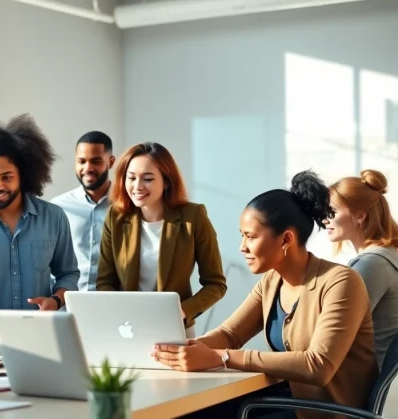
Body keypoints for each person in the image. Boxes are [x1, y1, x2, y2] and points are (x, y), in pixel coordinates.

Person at [152, 170, 378, 419]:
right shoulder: (272, 282)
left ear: (286, 239)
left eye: (250, 237)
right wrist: (178, 350)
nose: (242, 247)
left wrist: (221, 357)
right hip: (293, 402)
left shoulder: (341, 282)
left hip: (331, 414)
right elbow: (230, 334)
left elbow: (318, 366)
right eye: (242, 236)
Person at [0, 113, 80, 348]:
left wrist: (55, 301)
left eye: (6, 177)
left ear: (24, 175)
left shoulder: (54, 218)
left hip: (42, 342)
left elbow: (69, 273)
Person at [95, 142, 226, 337]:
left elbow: (216, 284)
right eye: (131, 178)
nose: (137, 186)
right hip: (127, 328)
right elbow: (105, 281)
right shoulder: (116, 217)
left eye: (148, 179)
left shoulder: (193, 216)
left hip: (173, 327)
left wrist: (182, 311)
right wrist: (120, 313)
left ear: (167, 181)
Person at [325, 169, 398, 370]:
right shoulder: (389, 254)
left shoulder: (371, 264)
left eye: (332, 212)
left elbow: (335, 334)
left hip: (380, 383)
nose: (324, 219)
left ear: (359, 216)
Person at [51, 131, 115, 291]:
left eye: (96, 161)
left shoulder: (126, 205)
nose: (88, 168)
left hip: (113, 300)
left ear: (111, 162)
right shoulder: (58, 207)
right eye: (81, 161)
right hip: (67, 301)